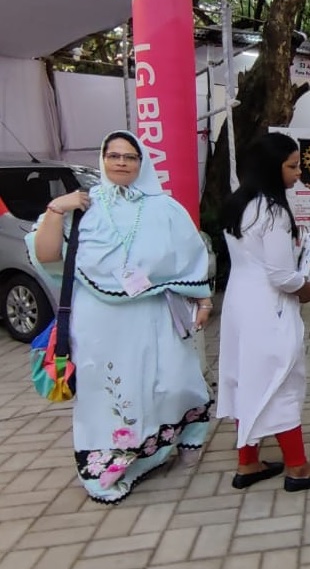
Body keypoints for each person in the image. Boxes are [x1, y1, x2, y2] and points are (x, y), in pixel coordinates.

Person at [26, 130, 212, 503]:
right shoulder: (84, 206)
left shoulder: (165, 209)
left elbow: (190, 258)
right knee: (109, 395)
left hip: (153, 314)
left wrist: (204, 303)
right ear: (103, 159)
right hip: (98, 325)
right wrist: (56, 208)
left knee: (170, 381)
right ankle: (109, 469)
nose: (121, 163)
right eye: (114, 156)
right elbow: (47, 256)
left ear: (142, 163)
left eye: (130, 157)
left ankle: (169, 444)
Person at [218, 132, 310, 492]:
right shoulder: (273, 211)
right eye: (292, 165)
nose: (298, 172)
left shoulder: (238, 204)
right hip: (267, 306)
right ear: (272, 168)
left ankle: (249, 462)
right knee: (281, 379)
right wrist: (309, 288)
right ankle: (298, 468)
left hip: (239, 304)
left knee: (247, 378)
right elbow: (282, 275)